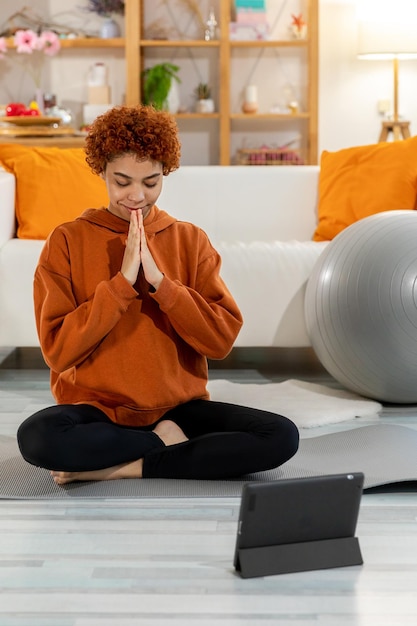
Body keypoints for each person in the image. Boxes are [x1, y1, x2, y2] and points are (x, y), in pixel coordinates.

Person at [17, 105, 299, 485]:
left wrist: (161, 285)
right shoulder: (67, 241)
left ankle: (126, 465)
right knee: (37, 437)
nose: (136, 195)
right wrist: (121, 284)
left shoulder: (190, 239)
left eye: (150, 182)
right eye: (122, 182)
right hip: (99, 411)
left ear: (165, 172)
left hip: (181, 412)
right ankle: (160, 445)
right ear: (101, 171)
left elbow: (220, 342)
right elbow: (58, 351)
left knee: (281, 436)